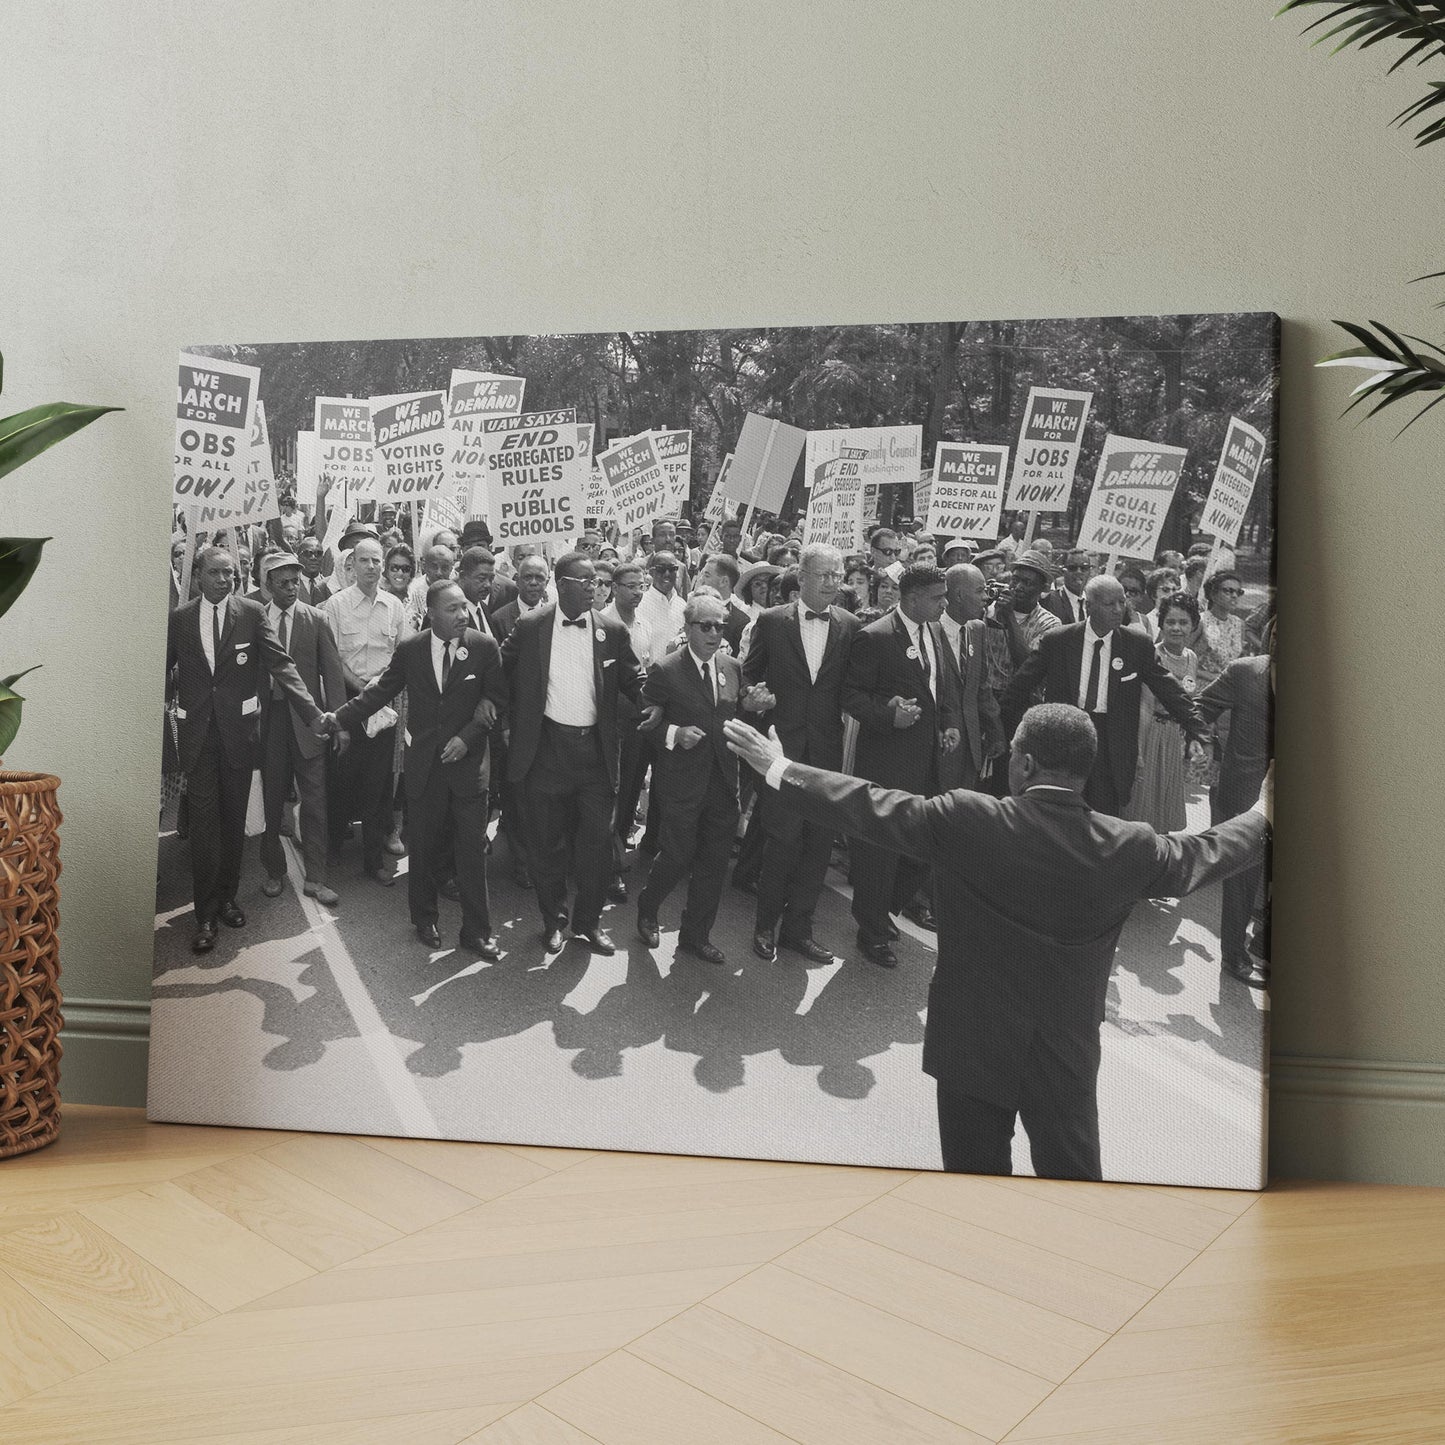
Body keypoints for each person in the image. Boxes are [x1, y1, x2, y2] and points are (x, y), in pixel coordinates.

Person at [724, 704, 1272, 1180]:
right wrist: (1265, 812)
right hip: (1064, 1055)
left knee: (974, 1186)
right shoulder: (1129, 847)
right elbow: (1207, 852)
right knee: (1074, 1185)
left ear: (1025, 763)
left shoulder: (970, 819)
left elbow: (868, 805)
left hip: (971, 1045)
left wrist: (779, 769)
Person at [323, 580, 506, 959]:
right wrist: (337, 717)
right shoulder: (412, 649)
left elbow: (495, 698)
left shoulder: (484, 647)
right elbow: (379, 692)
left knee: (470, 852)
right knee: (422, 847)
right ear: (432, 615)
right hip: (425, 767)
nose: (463, 614)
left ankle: (477, 931)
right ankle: (425, 919)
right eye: (453, 609)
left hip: (469, 768)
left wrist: (468, 737)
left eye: (464, 608)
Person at [167, 547, 323, 953]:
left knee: (234, 821)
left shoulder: (252, 615)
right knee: (204, 827)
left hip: (240, 736)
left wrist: (312, 713)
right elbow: (162, 672)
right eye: (216, 573)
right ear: (198, 576)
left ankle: (228, 898)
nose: (224, 580)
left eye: (231, 573)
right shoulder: (180, 620)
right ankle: (204, 914)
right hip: (198, 737)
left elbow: (282, 665)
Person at [500, 550, 649, 955]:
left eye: (597, 584)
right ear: (561, 585)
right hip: (546, 750)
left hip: (596, 755)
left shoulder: (612, 631)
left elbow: (635, 679)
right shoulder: (530, 627)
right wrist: (504, 719)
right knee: (547, 846)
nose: (594, 590)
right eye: (586, 583)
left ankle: (588, 923)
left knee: (597, 845)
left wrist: (655, 702)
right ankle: (553, 921)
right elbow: (500, 673)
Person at [740, 542, 862, 964]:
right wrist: (752, 698)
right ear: (803, 578)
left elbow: (854, 688)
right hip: (782, 750)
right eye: (824, 575)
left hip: (825, 751)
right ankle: (764, 927)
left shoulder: (850, 625)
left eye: (838, 574)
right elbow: (749, 675)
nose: (832, 582)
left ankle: (799, 930)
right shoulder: (773, 623)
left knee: (818, 845)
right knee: (782, 841)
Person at [1005, 575, 1208, 817]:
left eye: (1122, 603)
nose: (1118, 610)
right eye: (1109, 604)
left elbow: (1169, 689)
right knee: (1058, 816)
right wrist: (1004, 731)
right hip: (1064, 740)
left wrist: (1198, 730)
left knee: (1103, 820)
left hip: (1111, 747)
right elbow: (1019, 687)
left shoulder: (1136, 645)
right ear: (1088, 606)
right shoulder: (1059, 640)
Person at [842, 563, 961, 967]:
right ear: (912, 598)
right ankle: (871, 932)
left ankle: (882, 910)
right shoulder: (874, 637)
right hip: (887, 764)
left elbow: (940, 690)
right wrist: (886, 715)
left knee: (921, 850)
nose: (945, 604)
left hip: (928, 763)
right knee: (880, 852)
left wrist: (946, 724)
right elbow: (852, 696)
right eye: (937, 597)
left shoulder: (936, 631)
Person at [635, 595, 744, 966]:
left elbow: (734, 715)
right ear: (687, 627)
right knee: (678, 857)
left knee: (713, 864)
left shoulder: (732, 666)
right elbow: (645, 723)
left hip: (723, 781)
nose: (714, 634)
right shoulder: (666, 670)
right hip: (682, 781)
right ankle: (648, 907)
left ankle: (695, 936)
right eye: (706, 626)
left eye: (720, 627)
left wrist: (756, 706)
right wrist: (674, 734)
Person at [254, 552, 346, 907]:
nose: (292, 589)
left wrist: (337, 722)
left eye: (295, 582)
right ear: (268, 585)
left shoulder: (316, 619)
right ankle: (274, 871)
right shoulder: (254, 617)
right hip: (271, 722)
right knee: (272, 801)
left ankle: (316, 877)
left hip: (310, 723)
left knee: (315, 801)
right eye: (283, 583)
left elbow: (333, 675)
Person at [321, 536, 410, 885]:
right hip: (347, 702)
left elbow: (400, 656)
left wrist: (380, 690)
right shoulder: (335, 606)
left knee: (378, 786)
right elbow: (331, 659)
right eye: (365, 561)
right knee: (341, 780)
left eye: (377, 561)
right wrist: (361, 689)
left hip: (384, 704)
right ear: (352, 566)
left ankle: (373, 862)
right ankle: (329, 853)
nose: (372, 567)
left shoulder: (394, 607)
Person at [1199, 631, 1275, 988]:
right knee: (1243, 878)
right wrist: (1202, 742)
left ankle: (1265, 944)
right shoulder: (1245, 672)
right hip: (1244, 791)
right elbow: (1203, 706)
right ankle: (1234, 955)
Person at [1124, 592, 1200, 834]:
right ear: (1161, 624)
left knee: (1163, 805)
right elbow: (1145, 705)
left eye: (1183, 622)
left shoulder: (1191, 657)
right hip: (1150, 732)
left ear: (1193, 625)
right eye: (1170, 622)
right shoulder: (1153, 655)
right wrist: (1138, 750)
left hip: (1173, 736)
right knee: (1143, 803)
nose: (1176, 628)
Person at [938, 563, 1006, 792]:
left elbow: (982, 687)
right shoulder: (928, 629)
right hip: (939, 746)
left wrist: (995, 730)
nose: (986, 597)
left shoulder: (977, 629)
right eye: (979, 591)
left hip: (971, 747)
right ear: (958, 595)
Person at [489, 552, 550, 641]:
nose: (533, 583)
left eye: (539, 578)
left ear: (547, 582)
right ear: (517, 580)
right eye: (528, 577)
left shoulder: (553, 617)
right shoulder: (498, 620)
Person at [695, 554, 749, 654]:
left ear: (724, 581)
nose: (701, 580)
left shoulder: (740, 623)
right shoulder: (693, 611)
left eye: (706, 575)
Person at [637, 550, 688, 644]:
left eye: (672, 569)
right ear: (652, 572)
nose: (667, 574)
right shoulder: (640, 605)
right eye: (661, 569)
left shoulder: (682, 605)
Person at [1042, 548, 1090, 626]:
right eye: (1072, 568)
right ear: (1063, 571)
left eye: (1084, 568)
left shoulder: (1095, 602)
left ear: (1089, 571)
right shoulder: (1049, 600)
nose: (1078, 572)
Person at [295, 537, 332, 607]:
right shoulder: (292, 586)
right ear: (298, 557)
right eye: (308, 553)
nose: (313, 557)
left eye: (319, 553)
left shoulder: (330, 585)